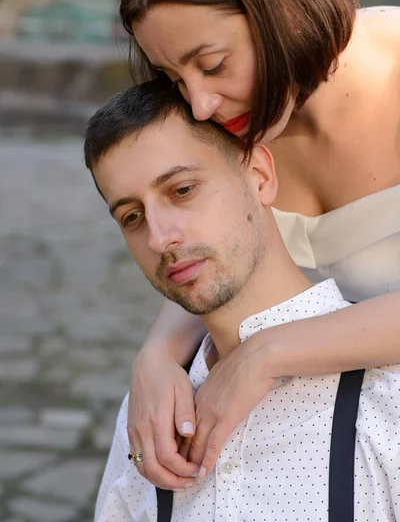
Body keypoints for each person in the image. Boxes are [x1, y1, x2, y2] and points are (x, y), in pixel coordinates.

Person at [118, 0, 400, 491]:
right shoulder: (241, 120)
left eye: (214, 64)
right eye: (175, 78)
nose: (199, 106)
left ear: (283, 11)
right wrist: (158, 356)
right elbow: (228, 249)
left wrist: (267, 352)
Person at [85, 79, 400, 521]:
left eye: (182, 190)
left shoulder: (386, 399)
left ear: (260, 177)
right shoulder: (151, 410)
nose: (159, 238)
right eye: (131, 217)